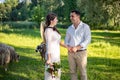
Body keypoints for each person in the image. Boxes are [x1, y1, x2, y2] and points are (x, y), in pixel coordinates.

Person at [65, 10, 91, 80]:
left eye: (72, 16)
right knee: (72, 72)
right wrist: (68, 47)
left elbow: (88, 39)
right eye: (70, 16)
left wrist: (77, 47)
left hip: (81, 53)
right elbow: (66, 41)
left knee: (82, 72)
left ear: (78, 16)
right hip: (70, 53)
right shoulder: (69, 28)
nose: (71, 18)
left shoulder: (85, 27)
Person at [42, 12, 66, 80]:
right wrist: (49, 59)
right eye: (56, 19)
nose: (57, 20)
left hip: (56, 56)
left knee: (57, 75)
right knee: (51, 76)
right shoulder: (48, 31)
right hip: (51, 57)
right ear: (51, 20)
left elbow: (58, 42)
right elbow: (48, 44)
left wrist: (68, 47)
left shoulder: (54, 30)